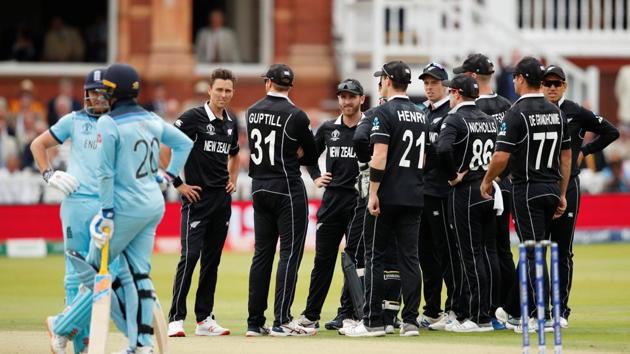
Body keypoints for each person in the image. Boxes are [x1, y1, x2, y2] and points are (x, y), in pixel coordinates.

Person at [44, 63, 193, 354]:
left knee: (94, 272)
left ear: (114, 92)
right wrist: (168, 176)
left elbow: (105, 174)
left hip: (124, 208)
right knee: (139, 274)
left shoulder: (108, 123)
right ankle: (141, 344)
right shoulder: (150, 118)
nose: (99, 97)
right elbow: (184, 143)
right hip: (153, 203)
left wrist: (107, 213)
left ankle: (61, 326)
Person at [481, 57, 571, 331]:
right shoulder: (556, 111)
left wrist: (487, 180)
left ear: (520, 79)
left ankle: (535, 314)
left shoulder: (516, 112)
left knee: (532, 253)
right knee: (537, 251)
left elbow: (499, 156)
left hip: (527, 189)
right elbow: (566, 157)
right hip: (551, 188)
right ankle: (517, 311)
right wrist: (563, 192)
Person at [345, 60, 426, 337]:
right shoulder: (420, 114)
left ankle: (372, 321)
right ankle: (411, 320)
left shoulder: (383, 113)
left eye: (382, 79)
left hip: (387, 195)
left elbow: (378, 157)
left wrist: (374, 194)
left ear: (388, 81)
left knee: (374, 256)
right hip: (414, 194)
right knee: (410, 259)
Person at [31, 69, 108, 354]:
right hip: (76, 201)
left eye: (101, 92)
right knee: (76, 272)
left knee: (101, 273)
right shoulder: (74, 120)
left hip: (106, 204)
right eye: (91, 91)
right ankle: (79, 342)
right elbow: (38, 145)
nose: (95, 97)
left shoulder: (116, 122)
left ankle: (62, 327)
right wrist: (49, 174)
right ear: (85, 93)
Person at [542, 65, 619, 327]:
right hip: (539, 185)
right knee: (536, 250)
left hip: (569, 185)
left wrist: (586, 150)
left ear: (564, 86)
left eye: (557, 83)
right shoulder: (533, 111)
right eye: (547, 83)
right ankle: (533, 309)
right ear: (541, 86)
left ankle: (561, 310)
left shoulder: (575, 110)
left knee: (563, 251)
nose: (552, 87)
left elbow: (611, 131)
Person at [166, 68, 240, 337]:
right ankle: (175, 318)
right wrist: (178, 184)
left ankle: (204, 319)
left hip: (222, 201)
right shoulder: (193, 118)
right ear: (209, 90)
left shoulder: (232, 122)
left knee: (212, 260)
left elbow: (235, 154)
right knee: (191, 256)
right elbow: (166, 147)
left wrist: (233, 178)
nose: (223, 95)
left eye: (228, 90)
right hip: (196, 200)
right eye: (219, 89)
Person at [245, 64, 317, 337]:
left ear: (268, 83)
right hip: (287, 187)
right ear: (290, 86)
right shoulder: (296, 115)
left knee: (262, 254)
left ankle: (254, 323)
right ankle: (282, 319)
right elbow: (310, 155)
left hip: (258, 186)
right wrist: (296, 151)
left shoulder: (251, 111)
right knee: (289, 253)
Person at [295, 79, 365, 330]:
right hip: (332, 200)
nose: (347, 101)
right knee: (322, 260)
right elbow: (307, 156)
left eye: (352, 97)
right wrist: (315, 176)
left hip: (359, 201)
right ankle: (311, 315)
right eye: (343, 97)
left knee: (353, 260)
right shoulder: (327, 128)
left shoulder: (369, 126)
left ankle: (347, 314)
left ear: (361, 99)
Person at [455, 53, 514, 329]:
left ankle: (482, 310)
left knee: (476, 250)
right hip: (507, 186)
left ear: (470, 78)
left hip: (479, 185)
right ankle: (505, 309)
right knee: (500, 250)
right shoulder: (508, 105)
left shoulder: (471, 109)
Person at [436, 75, 497, 332]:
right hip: (488, 188)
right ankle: (485, 312)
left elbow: (442, 149)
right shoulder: (488, 119)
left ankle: (477, 317)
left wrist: (452, 176)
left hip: (466, 191)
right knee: (483, 252)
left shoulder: (454, 119)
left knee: (469, 255)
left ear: (457, 93)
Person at [416, 62, 461, 330]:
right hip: (422, 192)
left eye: (434, 82)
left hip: (443, 193)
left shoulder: (451, 113)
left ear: (445, 85)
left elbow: (442, 152)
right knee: (425, 255)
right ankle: (432, 309)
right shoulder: (422, 112)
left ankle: (452, 308)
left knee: (446, 252)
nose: (430, 87)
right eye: (426, 82)